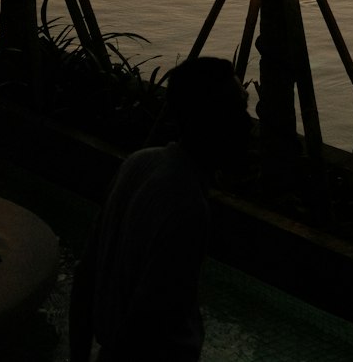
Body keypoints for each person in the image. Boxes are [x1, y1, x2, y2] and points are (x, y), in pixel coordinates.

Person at [69, 56, 252, 362]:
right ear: (209, 123)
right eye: (236, 112)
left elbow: (87, 273)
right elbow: (145, 325)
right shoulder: (187, 209)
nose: (248, 124)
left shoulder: (138, 163)